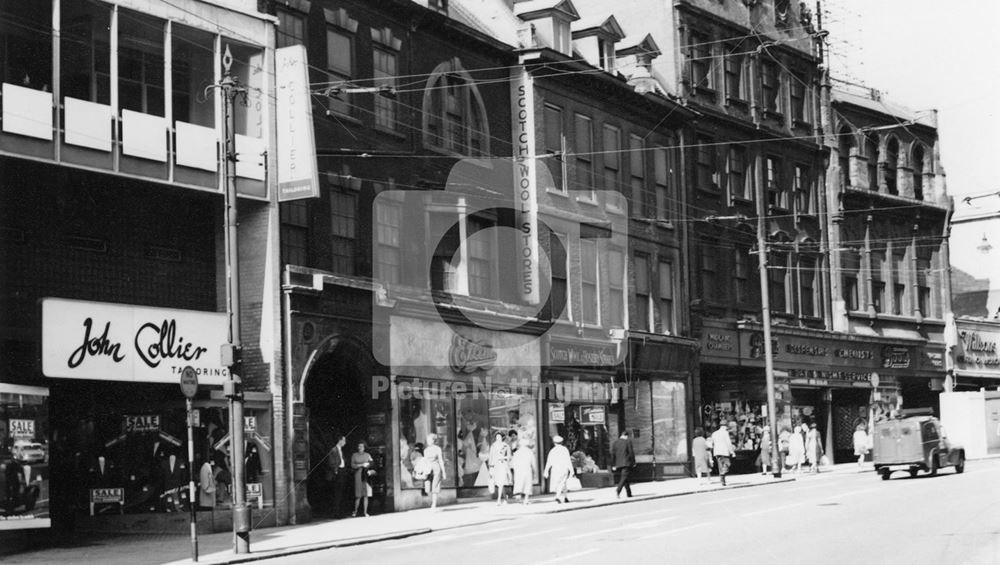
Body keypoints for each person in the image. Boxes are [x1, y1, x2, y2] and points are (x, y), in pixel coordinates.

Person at [543, 435, 573, 504]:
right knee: (563, 482)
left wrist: (546, 471)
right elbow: (568, 460)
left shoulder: (552, 451)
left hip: (555, 469)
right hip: (563, 468)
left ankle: (564, 497)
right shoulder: (565, 450)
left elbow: (549, 462)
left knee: (559, 483)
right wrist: (571, 470)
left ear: (554, 443)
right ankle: (559, 496)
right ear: (562, 442)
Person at [325, 435, 347, 517]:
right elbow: (331, 462)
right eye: (344, 441)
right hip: (337, 473)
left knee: (341, 493)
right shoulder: (333, 450)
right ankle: (336, 513)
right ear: (340, 440)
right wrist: (336, 470)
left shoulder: (341, 450)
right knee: (337, 493)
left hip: (342, 471)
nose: (345, 442)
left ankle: (340, 512)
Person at [487, 431, 511, 506]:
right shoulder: (493, 446)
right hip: (495, 466)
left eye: (499, 437)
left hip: (502, 465)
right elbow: (491, 457)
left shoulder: (505, 446)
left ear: (502, 437)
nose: (498, 438)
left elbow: (509, 457)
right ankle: (505, 497)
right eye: (497, 437)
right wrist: (490, 467)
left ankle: (498, 500)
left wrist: (503, 457)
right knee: (499, 483)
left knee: (501, 482)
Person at [350, 441, 373, 517]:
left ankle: (365, 512)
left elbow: (372, 462)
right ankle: (355, 511)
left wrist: (368, 465)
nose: (360, 448)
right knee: (358, 495)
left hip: (365, 475)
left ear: (364, 447)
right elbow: (352, 465)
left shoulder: (367, 455)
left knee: (365, 494)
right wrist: (361, 465)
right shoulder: (354, 455)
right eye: (359, 446)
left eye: (362, 446)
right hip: (358, 475)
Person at [422, 433, 445, 510]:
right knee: (427, 487)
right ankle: (432, 501)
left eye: (429, 439)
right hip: (428, 469)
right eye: (427, 439)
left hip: (436, 468)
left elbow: (440, 460)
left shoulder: (438, 449)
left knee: (435, 486)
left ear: (433, 440)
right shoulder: (426, 450)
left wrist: (443, 471)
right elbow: (425, 461)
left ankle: (434, 503)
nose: (428, 441)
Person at [510, 438, 535, 505]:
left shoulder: (517, 452)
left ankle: (520, 498)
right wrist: (534, 471)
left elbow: (513, 464)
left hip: (519, 471)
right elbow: (533, 463)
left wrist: (514, 470)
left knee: (519, 483)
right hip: (527, 470)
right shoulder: (530, 452)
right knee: (527, 484)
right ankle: (526, 499)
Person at [710, 420, 735, 486]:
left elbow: (711, 443)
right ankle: (723, 474)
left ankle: (722, 481)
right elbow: (728, 443)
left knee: (720, 466)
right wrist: (732, 452)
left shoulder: (714, 433)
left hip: (717, 452)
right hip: (724, 451)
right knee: (727, 464)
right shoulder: (725, 433)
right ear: (726, 426)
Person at [611, 431, 635, 498]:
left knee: (625, 478)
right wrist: (633, 462)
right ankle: (618, 490)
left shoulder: (615, 443)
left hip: (618, 464)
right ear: (626, 436)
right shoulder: (628, 442)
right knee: (624, 477)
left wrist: (613, 464)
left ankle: (629, 493)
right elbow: (631, 453)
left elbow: (613, 454)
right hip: (626, 463)